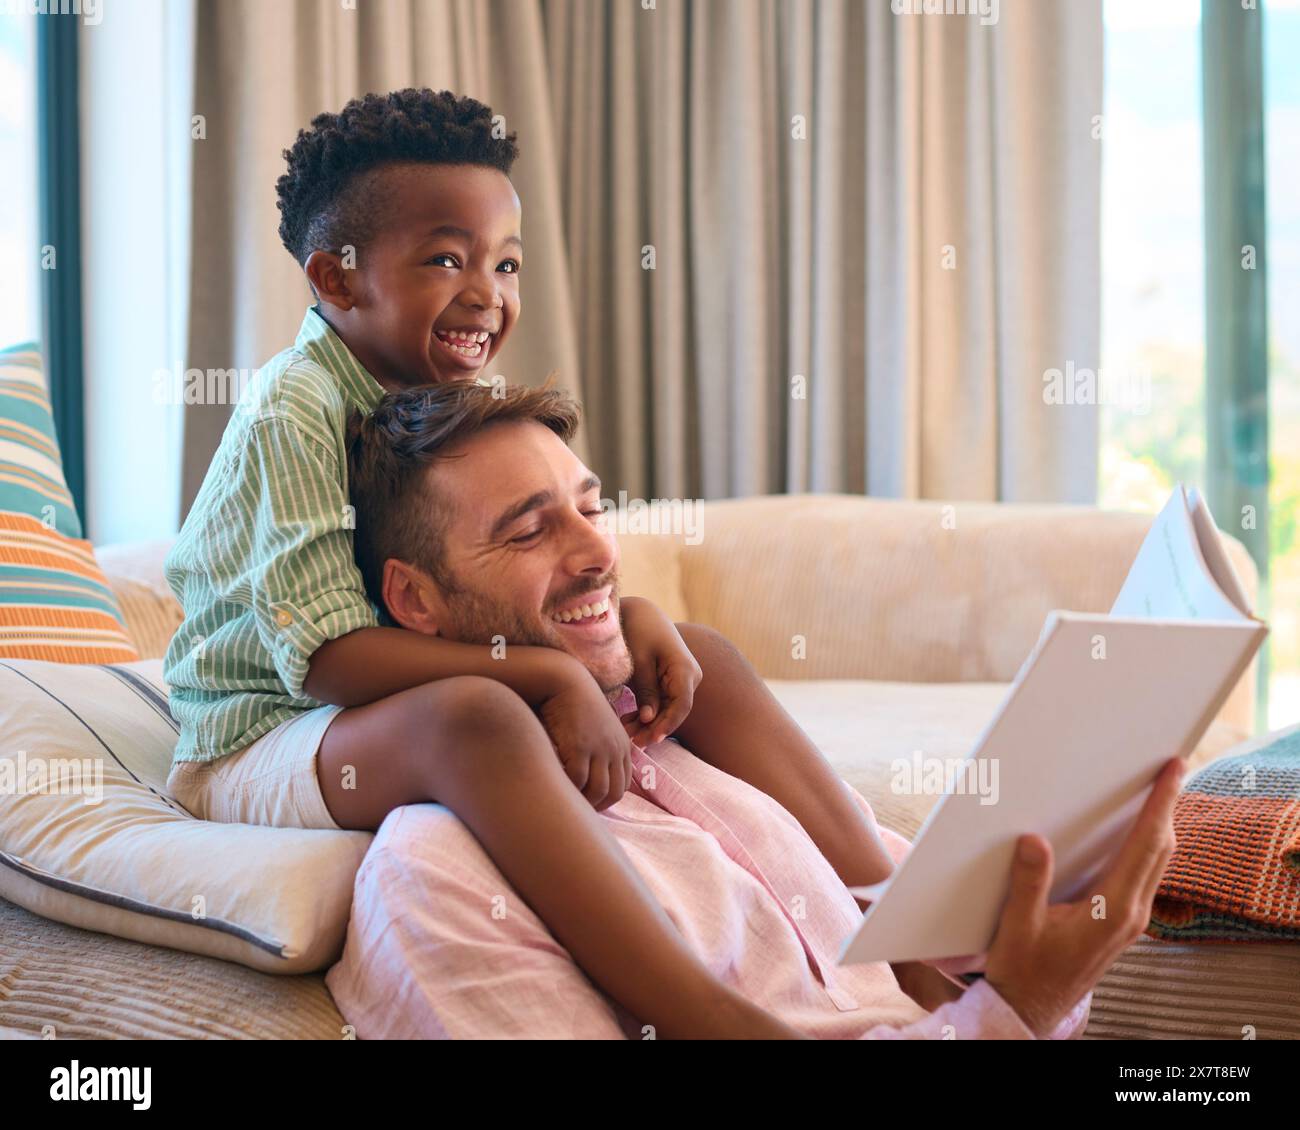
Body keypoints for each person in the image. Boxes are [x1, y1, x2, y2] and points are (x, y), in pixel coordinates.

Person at [321, 379, 1182, 1039]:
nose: (598, 554)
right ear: (416, 599)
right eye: (529, 530)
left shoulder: (697, 756)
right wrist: (1022, 1009)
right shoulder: (438, 879)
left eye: (591, 508)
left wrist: (1048, 949)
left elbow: (951, 971)